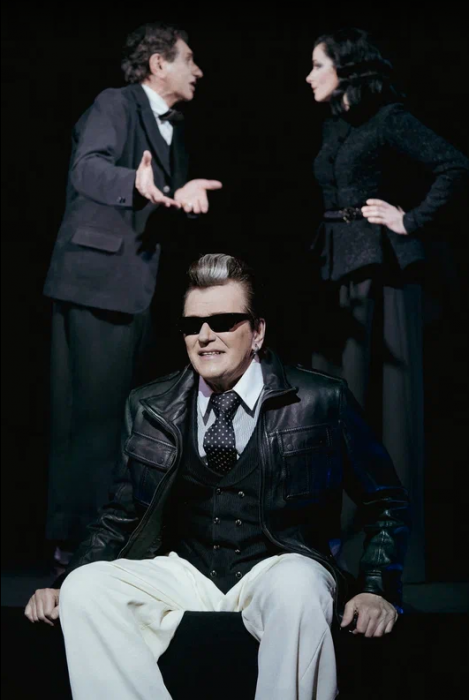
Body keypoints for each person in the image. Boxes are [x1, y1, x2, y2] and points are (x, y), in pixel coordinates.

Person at [26, 253, 409, 700]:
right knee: (85, 589)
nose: (205, 336)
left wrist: (378, 588)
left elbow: (386, 502)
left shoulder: (320, 400)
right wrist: (63, 584)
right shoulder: (150, 406)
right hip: (186, 571)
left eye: (224, 322)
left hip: (278, 566)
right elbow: (120, 514)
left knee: (300, 587)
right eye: (193, 325)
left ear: (257, 331)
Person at [43, 22, 222, 567]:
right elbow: (88, 169)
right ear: (158, 64)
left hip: (140, 291)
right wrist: (134, 183)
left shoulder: (175, 129)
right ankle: (76, 545)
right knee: (91, 421)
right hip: (97, 284)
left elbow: (158, 201)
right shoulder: (115, 104)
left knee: (129, 420)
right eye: (189, 59)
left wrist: (179, 194)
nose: (198, 70)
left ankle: (116, 537)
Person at [305, 27, 469, 582]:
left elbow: (454, 164)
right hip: (336, 267)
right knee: (335, 402)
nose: (308, 76)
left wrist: (411, 219)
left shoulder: (389, 119)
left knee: (386, 405)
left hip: (384, 272)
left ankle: (389, 552)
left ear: (346, 69)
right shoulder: (335, 124)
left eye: (318, 65)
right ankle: (332, 544)